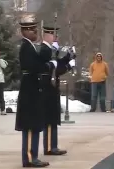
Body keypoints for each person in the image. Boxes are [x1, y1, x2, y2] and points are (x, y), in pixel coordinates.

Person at [15, 15, 58, 168]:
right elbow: (34, 66)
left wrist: (47, 46)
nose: (35, 33)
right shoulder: (26, 47)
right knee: (29, 125)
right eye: (32, 31)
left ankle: (33, 155)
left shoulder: (30, 46)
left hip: (33, 88)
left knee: (34, 124)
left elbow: (40, 59)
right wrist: (49, 66)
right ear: (25, 32)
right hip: (29, 90)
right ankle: (29, 157)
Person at [39, 25, 75, 156]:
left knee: (53, 117)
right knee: (49, 117)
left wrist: (68, 58)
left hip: (52, 88)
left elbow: (57, 65)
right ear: (48, 36)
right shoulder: (45, 50)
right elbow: (54, 70)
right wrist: (68, 66)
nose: (56, 39)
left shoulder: (50, 51)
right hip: (48, 88)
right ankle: (49, 146)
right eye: (55, 36)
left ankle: (53, 145)